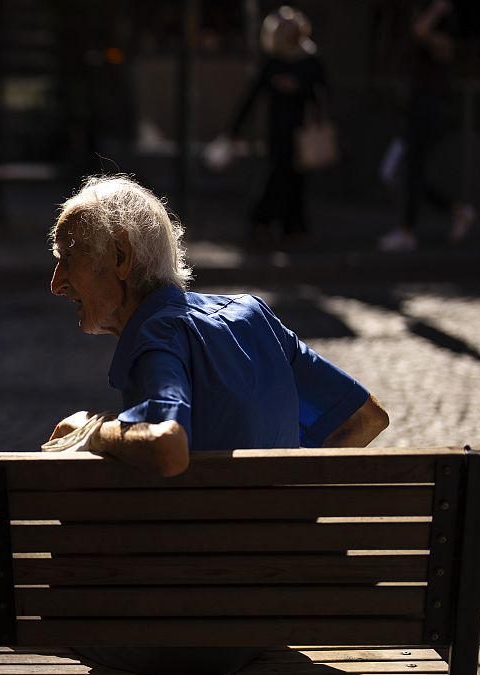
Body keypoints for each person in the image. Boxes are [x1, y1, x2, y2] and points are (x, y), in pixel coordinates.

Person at [45, 175, 390, 675]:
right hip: (267, 617)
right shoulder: (251, 317)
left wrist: (89, 432)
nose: (56, 282)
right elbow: (364, 419)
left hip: (188, 635)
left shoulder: (156, 336)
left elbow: (166, 445)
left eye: (67, 257)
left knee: (57, 620)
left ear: (120, 257)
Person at [378, 0, 476, 253]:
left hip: (428, 111)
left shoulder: (441, 41)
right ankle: (455, 210)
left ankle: (408, 230)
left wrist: (437, 9)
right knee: (398, 171)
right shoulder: (421, 40)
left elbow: (421, 31)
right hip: (413, 111)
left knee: (409, 171)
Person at [227, 5, 328, 246]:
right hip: (278, 130)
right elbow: (252, 96)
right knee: (276, 174)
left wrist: (298, 88)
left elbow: (323, 92)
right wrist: (234, 130)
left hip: (303, 129)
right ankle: (262, 222)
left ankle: (294, 226)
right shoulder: (272, 63)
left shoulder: (310, 60)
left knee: (297, 178)